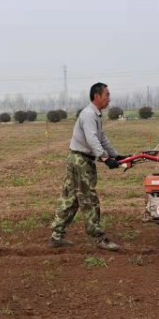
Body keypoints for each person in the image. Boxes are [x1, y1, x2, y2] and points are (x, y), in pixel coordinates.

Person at [49, 82, 128, 251]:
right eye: (107, 95)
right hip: (80, 161)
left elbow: (102, 138)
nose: (109, 98)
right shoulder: (88, 115)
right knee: (89, 200)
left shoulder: (96, 115)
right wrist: (106, 159)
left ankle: (56, 236)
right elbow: (92, 139)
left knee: (71, 199)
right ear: (97, 96)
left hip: (79, 160)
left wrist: (116, 155)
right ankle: (99, 238)